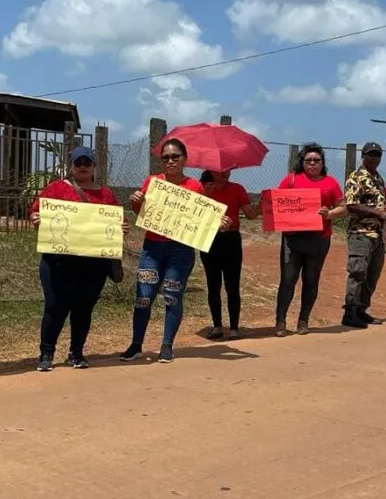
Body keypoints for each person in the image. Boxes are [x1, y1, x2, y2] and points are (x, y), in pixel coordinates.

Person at [123, 139, 230, 363]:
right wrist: (135, 201)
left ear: (185, 159)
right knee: (143, 297)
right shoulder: (152, 182)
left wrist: (219, 223)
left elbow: (202, 219)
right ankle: (136, 345)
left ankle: (166, 345)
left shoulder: (195, 187)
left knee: (172, 296)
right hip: (152, 248)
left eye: (175, 157)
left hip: (180, 250)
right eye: (166, 157)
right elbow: (140, 212)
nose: (170, 161)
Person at [30, 146, 129, 370]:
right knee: (55, 307)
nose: (82, 166)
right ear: (71, 166)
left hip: (94, 264)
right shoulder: (55, 188)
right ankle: (46, 354)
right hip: (58, 261)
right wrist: (35, 217)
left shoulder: (106, 195)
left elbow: (114, 224)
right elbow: (35, 210)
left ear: (94, 166)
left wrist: (121, 227)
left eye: (87, 162)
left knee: (84, 308)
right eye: (78, 162)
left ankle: (76, 353)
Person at [274, 143, 345, 336]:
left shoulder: (331, 183)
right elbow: (278, 204)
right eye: (308, 160)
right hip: (292, 239)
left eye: (316, 160)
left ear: (322, 163)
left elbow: (342, 206)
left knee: (311, 280)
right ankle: (280, 321)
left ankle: (303, 320)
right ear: (302, 162)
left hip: (319, 238)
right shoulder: (291, 180)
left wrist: (329, 213)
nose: (312, 164)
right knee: (288, 279)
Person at [198, 170, 258, 340]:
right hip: (209, 239)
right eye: (220, 170)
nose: (225, 173)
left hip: (231, 239)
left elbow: (250, 215)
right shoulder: (200, 188)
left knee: (233, 285)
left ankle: (234, 328)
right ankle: (217, 326)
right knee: (213, 284)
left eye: (228, 169)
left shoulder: (237, 189)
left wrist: (261, 205)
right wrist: (205, 194)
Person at [342, 142, 386, 328]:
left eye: (377, 155)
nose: (373, 158)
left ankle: (361, 310)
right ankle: (350, 312)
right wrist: (378, 213)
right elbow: (352, 205)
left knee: (372, 274)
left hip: (378, 234)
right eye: (370, 155)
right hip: (360, 233)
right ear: (363, 156)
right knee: (357, 273)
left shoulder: (378, 179)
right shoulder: (356, 177)